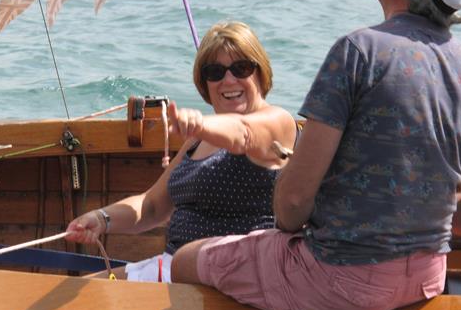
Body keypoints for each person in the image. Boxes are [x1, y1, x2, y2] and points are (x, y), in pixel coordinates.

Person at [171, 0, 461, 310]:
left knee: (187, 260)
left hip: (339, 287)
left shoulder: (358, 52)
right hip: (426, 280)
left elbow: (291, 208)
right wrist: (412, 214)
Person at [65, 21, 297, 281]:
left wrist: (199, 123)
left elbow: (243, 134)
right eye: (215, 72)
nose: (229, 79)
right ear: (204, 82)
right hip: (175, 268)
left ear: (261, 73)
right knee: (76, 298)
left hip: (236, 278)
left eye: (241, 68)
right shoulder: (198, 140)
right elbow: (152, 207)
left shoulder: (278, 122)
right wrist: (102, 218)